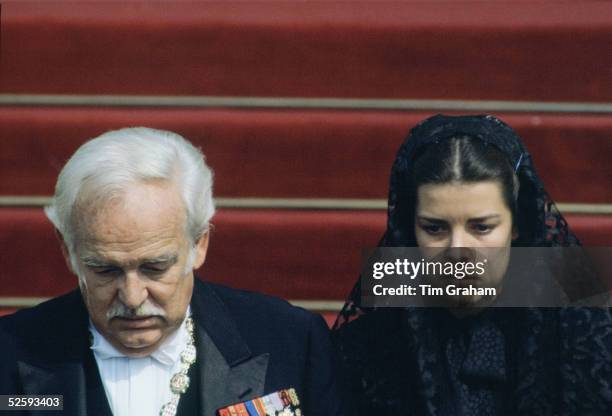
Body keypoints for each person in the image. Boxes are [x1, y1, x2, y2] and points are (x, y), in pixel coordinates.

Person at [0, 127, 345, 416]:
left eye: (154, 268)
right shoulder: (9, 352)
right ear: (67, 249)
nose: (133, 297)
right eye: (105, 270)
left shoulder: (291, 341)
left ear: (200, 244)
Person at [332, 115, 611, 415]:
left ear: (516, 226)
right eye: (434, 228)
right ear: (409, 231)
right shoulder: (364, 348)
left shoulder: (587, 339)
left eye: (481, 227)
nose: (458, 252)